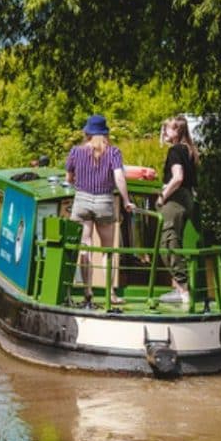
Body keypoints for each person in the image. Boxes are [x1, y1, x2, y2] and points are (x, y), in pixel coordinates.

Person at [65, 114, 134, 303]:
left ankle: (88, 293)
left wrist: (77, 183)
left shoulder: (75, 152)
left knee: (85, 247)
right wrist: (126, 200)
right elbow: (119, 178)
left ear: (87, 133)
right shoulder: (113, 153)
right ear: (106, 133)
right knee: (107, 250)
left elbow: (68, 179)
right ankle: (110, 294)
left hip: (82, 202)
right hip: (105, 201)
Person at [157, 114, 199, 306]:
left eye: (167, 128)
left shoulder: (175, 150)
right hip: (188, 198)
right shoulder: (190, 150)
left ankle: (182, 290)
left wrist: (163, 196)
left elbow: (178, 177)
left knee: (167, 243)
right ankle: (178, 289)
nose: (164, 131)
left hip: (175, 200)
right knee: (176, 241)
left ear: (177, 131)